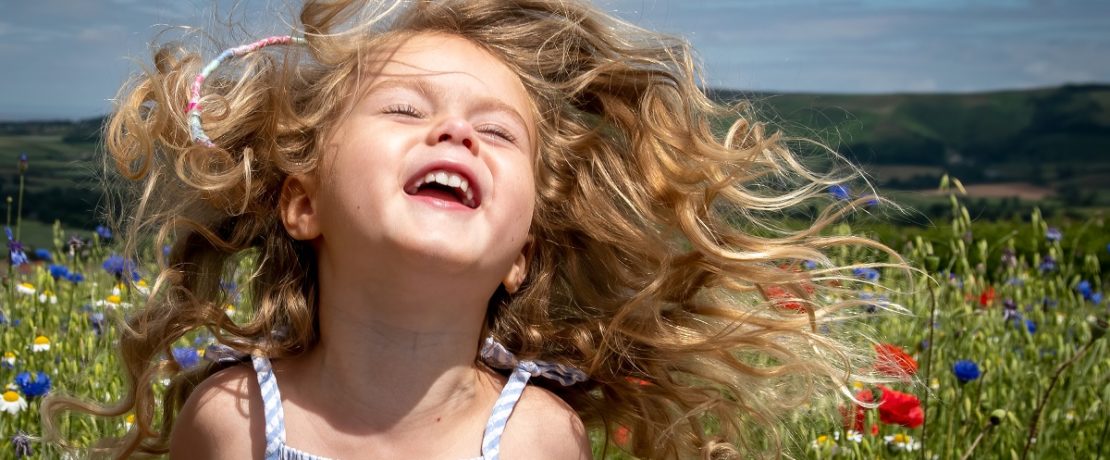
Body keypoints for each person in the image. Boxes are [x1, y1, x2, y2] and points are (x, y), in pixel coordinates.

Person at [45, 0, 896, 458]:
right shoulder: (233, 421)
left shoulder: (533, 438)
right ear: (301, 203)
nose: (454, 133)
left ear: (521, 253)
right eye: (407, 109)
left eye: (497, 133)